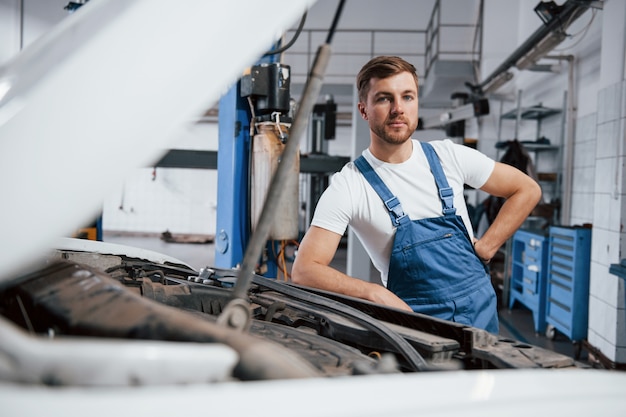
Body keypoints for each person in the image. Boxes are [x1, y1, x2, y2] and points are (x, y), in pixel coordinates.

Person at [291, 56, 542, 333]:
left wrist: (487, 246)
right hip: (415, 326)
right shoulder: (350, 185)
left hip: (480, 316)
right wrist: (373, 292)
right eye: (385, 99)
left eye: (407, 97)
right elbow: (304, 270)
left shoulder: (449, 157)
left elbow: (526, 189)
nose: (398, 109)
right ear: (364, 110)